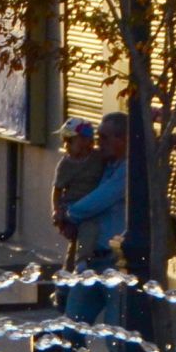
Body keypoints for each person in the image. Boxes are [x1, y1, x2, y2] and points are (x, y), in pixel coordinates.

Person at [62, 112, 129, 325]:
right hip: (90, 259)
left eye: (104, 138)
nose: (98, 144)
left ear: (123, 139)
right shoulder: (100, 164)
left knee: (115, 335)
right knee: (72, 328)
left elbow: (98, 200)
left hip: (115, 262)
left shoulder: (128, 170)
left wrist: (68, 213)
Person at [50, 117, 103, 267]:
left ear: (86, 140)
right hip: (72, 206)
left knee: (86, 232)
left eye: (70, 141)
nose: (66, 146)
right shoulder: (65, 164)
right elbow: (57, 189)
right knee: (77, 234)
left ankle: (76, 266)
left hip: (92, 206)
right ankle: (77, 267)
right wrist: (56, 210)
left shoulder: (98, 158)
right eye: (64, 142)